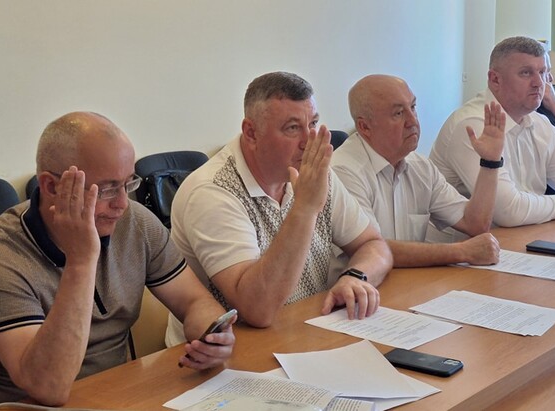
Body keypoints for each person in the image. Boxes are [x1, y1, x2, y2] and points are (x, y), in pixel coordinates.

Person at [0, 112, 235, 411]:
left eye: (127, 184)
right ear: (51, 187)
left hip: (112, 395)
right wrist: (81, 261)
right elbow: (48, 387)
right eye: (106, 189)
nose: (122, 204)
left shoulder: (135, 223)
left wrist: (210, 335)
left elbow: (194, 301)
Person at [166, 71, 392, 343]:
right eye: (293, 128)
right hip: (226, 355)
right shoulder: (212, 191)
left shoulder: (313, 172)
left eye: (314, 123)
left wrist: (356, 277)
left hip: (302, 334)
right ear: (251, 133)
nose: (309, 141)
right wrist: (305, 208)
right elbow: (257, 310)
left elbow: (374, 245)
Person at [431, 36, 555, 227]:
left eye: (543, 72)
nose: (539, 83)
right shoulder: (472, 124)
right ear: (495, 79)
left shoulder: (541, 123)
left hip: (520, 240)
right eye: (526, 73)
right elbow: (506, 211)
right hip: (460, 250)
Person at [331, 74, 505, 267]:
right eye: (398, 113)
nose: (412, 121)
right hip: (356, 291)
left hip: (407, 284)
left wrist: (490, 162)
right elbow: (371, 250)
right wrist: (461, 251)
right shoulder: (343, 171)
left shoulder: (421, 166)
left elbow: (475, 223)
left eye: (413, 107)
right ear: (365, 127)